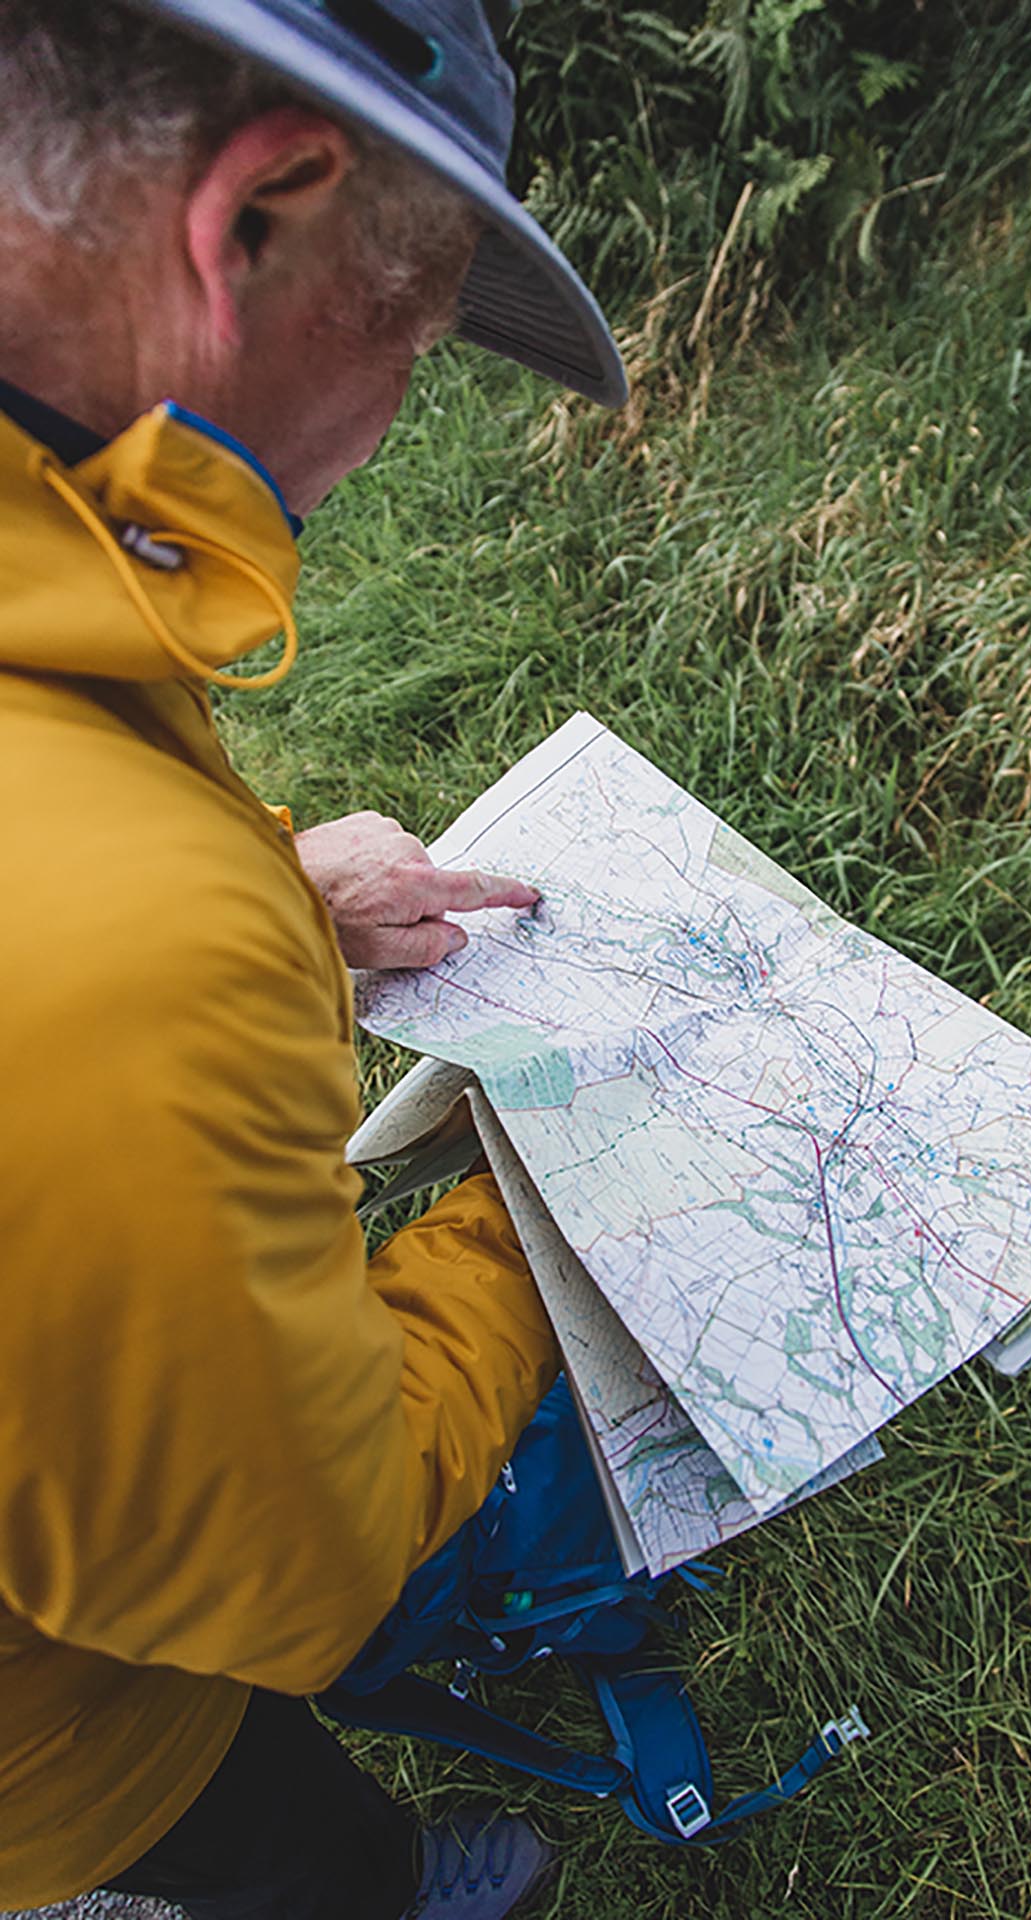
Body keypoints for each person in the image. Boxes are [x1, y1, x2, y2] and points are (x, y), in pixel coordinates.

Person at [0, 3, 626, 1915]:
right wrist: (557, 1229)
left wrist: (268, 883)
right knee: (295, 1862)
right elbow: (300, 1567)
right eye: (415, 338)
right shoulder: (120, 962)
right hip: (63, 1745)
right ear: (258, 210)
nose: (380, 432)